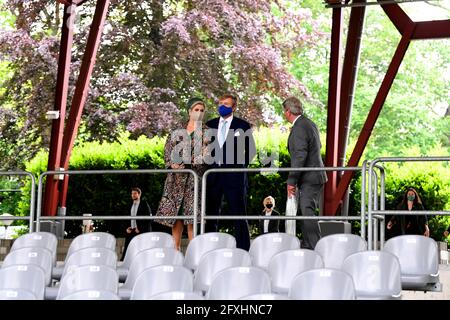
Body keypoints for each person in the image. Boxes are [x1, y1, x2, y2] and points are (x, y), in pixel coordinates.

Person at [155, 97, 209, 251]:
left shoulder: (207, 132)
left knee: (192, 218)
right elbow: (167, 150)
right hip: (175, 180)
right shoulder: (177, 130)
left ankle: (193, 252)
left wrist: (196, 159)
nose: (199, 113)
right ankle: (175, 250)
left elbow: (209, 154)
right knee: (176, 216)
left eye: (202, 110)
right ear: (189, 111)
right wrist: (171, 163)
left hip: (194, 179)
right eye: (196, 110)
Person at [205, 93, 256, 250]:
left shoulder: (242, 125)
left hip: (235, 177)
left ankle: (243, 249)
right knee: (211, 214)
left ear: (234, 107)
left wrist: (239, 168)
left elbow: (251, 151)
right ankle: (210, 248)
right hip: (213, 175)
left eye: (226, 104)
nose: (222, 106)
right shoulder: (210, 125)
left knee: (239, 214)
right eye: (220, 102)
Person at [282, 96, 327, 250]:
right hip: (314, 175)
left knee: (307, 211)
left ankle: (315, 247)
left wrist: (291, 180)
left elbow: (300, 155)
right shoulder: (309, 123)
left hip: (309, 176)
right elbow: (318, 145)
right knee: (306, 210)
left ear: (288, 111)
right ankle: (309, 244)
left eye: (284, 111)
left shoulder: (300, 127)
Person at [121, 187, 152, 260]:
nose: (133, 195)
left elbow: (149, 218)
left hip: (141, 231)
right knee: (128, 249)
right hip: (131, 230)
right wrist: (127, 227)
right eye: (132, 193)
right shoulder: (129, 205)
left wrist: (140, 228)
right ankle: (124, 263)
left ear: (139, 194)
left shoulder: (144, 204)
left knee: (142, 249)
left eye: (135, 193)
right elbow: (125, 218)